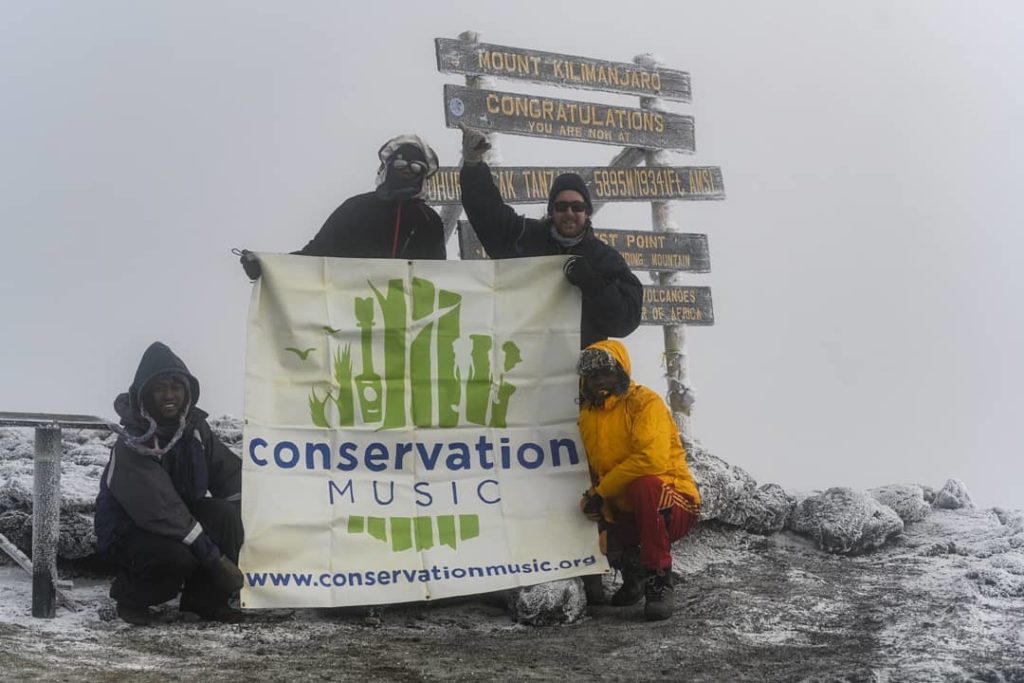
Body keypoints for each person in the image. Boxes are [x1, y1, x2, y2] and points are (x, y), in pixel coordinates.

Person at [94, 342, 245, 625]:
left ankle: (205, 602)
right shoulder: (132, 444)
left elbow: (230, 475)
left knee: (225, 514)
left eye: (176, 387)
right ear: (145, 394)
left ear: (187, 392)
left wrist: (265, 513)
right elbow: (162, 509)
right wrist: (217, 561)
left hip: (179, 522)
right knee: (179, 556)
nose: (169, 395)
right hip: (130, 531)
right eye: (159, 388)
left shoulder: (196, 430)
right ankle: (130, 598)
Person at [458, 126, 643, 348]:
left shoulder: (604, 259)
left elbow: (625, 321)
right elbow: (487, 213)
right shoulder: (523, 238)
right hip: (521, 365)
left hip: (578, 374)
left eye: (577, 207)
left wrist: (594, 285)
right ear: (551, 210)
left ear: (587, 212)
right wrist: (473, 165)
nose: (569, 213)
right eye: (561, 206)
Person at [575, 339, 701, 621]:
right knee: (588, 505)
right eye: (592, 375)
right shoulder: (587, 415)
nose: (599, 381)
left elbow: (651, 461)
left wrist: (602, 491)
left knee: (645, 486)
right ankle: (634, 572)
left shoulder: (645, 402)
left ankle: (658, 579)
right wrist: (596, 499)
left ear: (621, 371)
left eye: (605, 372)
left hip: (673, 500)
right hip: (629, 506)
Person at [239, 134, 445, 278]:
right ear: (387, 168)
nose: (408, 170)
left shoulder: (430, 221)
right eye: (400, 164)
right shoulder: (357, 207)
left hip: (406, 325)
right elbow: (316, 254)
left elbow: (443, 278)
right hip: (353, 320)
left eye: (416, 167)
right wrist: (268, 267)